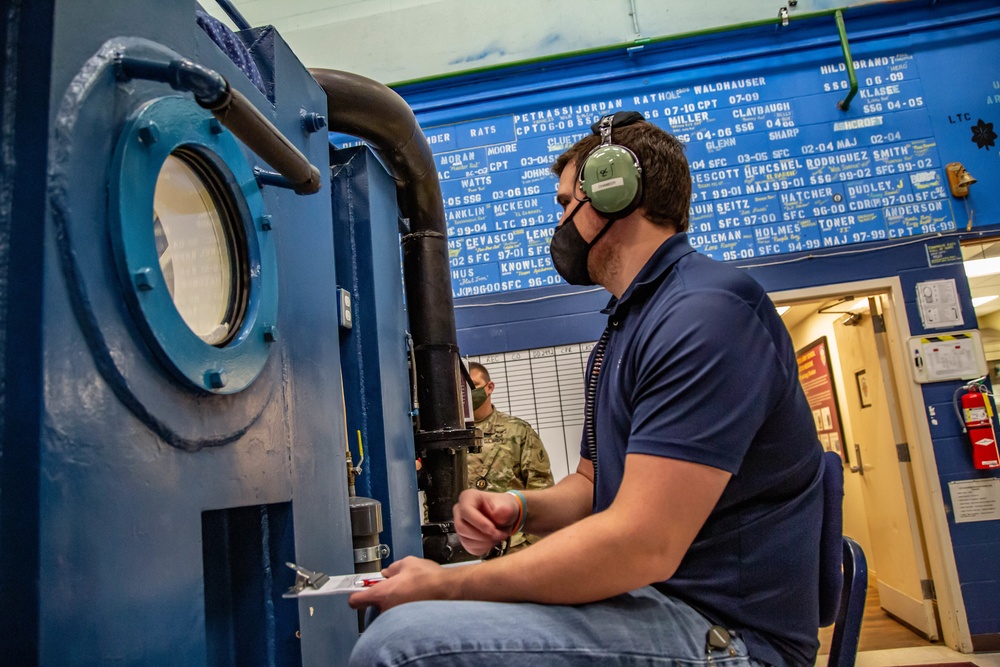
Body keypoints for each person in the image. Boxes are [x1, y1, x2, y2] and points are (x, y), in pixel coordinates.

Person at [349, 112, 823, 667]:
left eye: (565, 203)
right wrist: (519, 508)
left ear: (614, 191)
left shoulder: (705, 316)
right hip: (664, 600)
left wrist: (447, 585)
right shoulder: (627, 328)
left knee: (400, 646)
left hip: (729, 633)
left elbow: (640, 542)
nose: (561, 224)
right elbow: (593, 485)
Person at [467, 362, 554, 554]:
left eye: (474, 386)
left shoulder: (517, 431)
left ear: (489, 387)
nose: (468, 393)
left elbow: (541, 488)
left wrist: (532, 545)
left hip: (514, 547)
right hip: (466, 547)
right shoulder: (449, 437)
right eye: (463, 388)